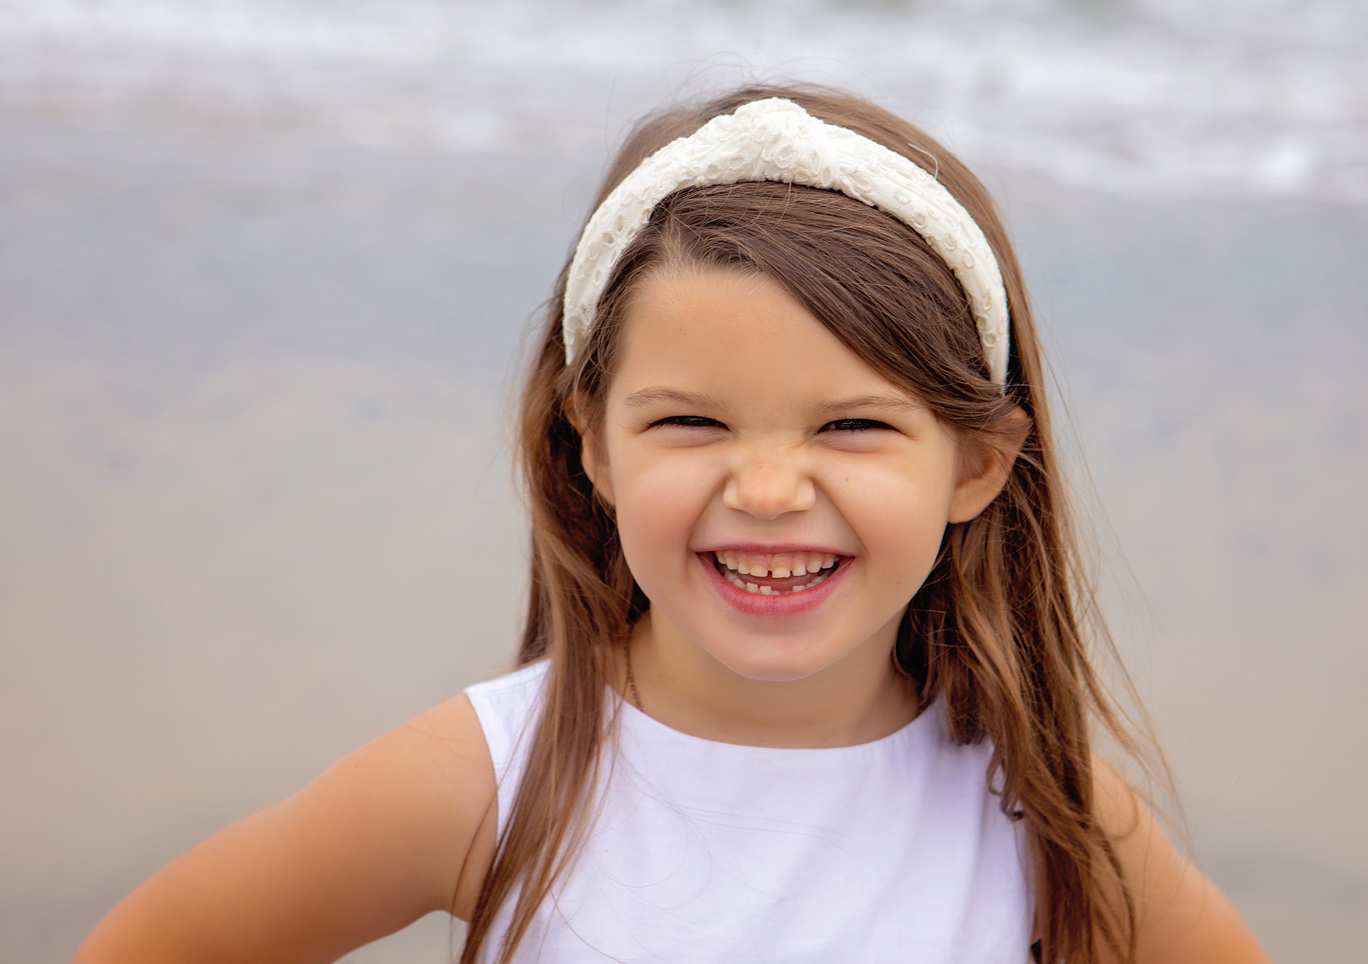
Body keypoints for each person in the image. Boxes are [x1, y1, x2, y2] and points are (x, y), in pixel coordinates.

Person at [74, 85, 1270, 964]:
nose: (766, 489)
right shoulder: (488, 781)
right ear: (592, 444)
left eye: (851, 426)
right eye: (692, 422)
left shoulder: (1044, 805)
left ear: (977, 463)